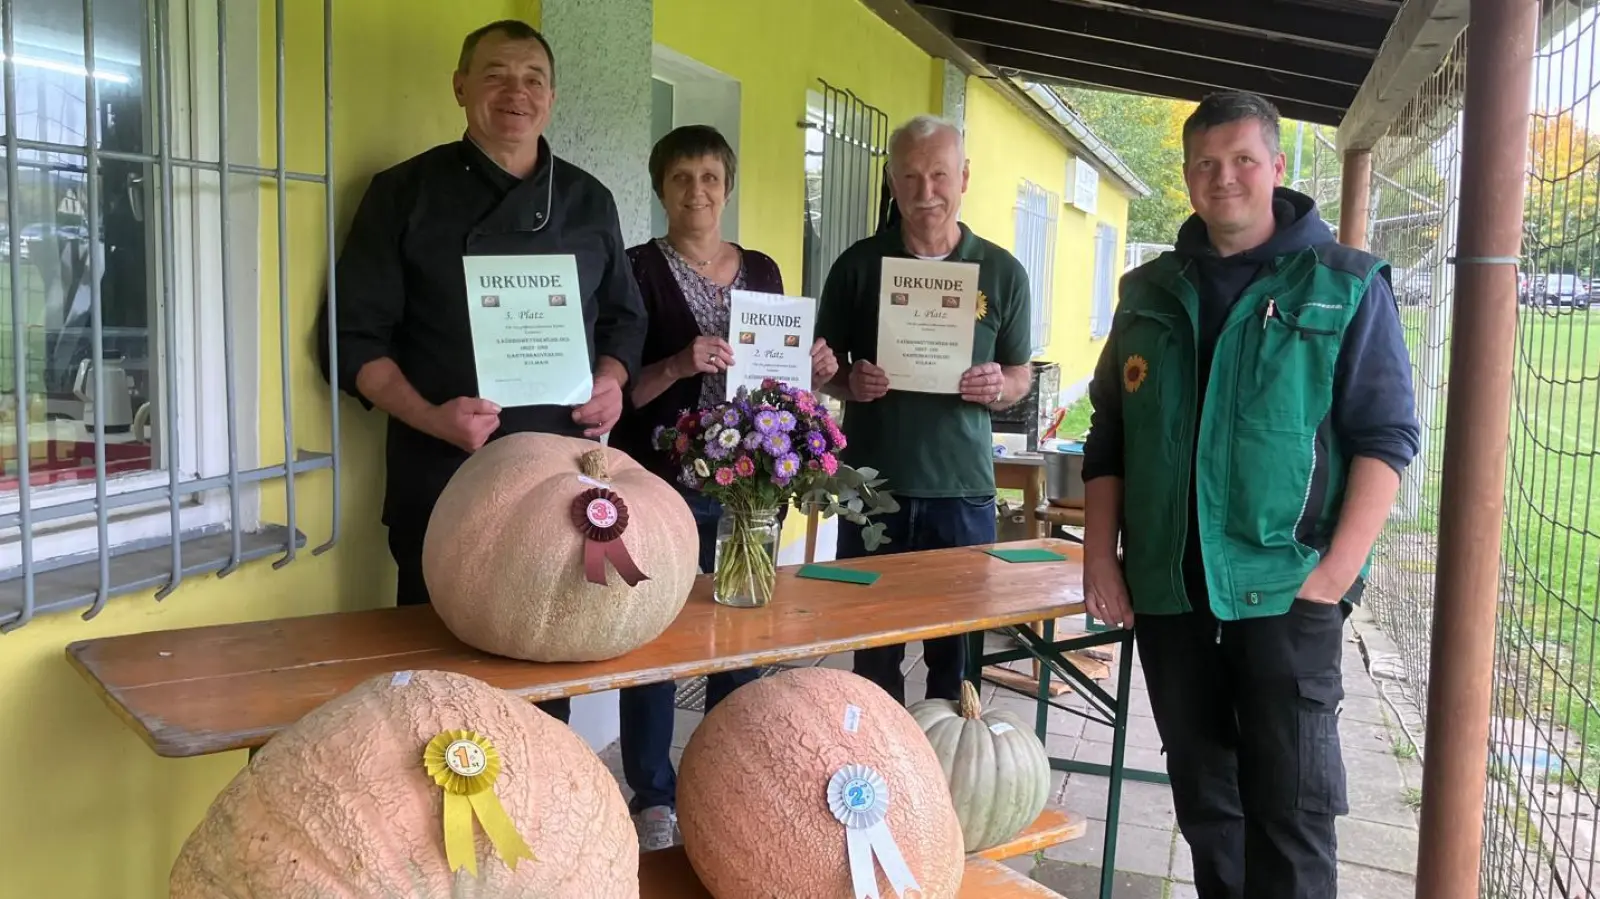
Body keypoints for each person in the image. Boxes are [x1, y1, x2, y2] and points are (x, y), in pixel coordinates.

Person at [1080, 91, 1421, 899]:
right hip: (1171, 594)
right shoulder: (1147, 294)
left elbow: (1386, 438)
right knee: (1207, 805)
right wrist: (1101, 556)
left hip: (1285, 591)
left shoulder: (1343, 286)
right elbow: (1110, 433)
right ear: (1189, 180)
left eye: (1241, 160)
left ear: (1274, 167)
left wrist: (1334, 575)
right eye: (1205, 163)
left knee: (1292, 813)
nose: (1223, 177)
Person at [331, 21, 645, 725]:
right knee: (437, 693)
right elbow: (352, 340)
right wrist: (431, 416)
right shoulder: (402, 193)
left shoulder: (590, 201)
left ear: (553, 96)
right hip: (442, 472)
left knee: (546, 676)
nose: (516, 92)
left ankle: (547, 823)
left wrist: (612, 379)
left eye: (533, 77)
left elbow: (626, 318)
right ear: (460, 86)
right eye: (497, 74)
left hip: (564, 478)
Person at [609, 124, 839, 849]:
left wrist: (816, 371)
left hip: (749, 484)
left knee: (740, 628)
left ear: (728, 186)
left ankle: (727, 771)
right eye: (681, 178)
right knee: (656, 634)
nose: (697, 191)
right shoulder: (635, 270)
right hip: (660, 481)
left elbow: (780, 374)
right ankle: (654, 791)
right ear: (660, 188)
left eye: (710, 177)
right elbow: (620, 386)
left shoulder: (764, 270)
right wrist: (679, 363)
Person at [815, 114, 1034, 705]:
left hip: (961, 489)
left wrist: (1000, 384)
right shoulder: (857, 266)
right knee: (872, 645)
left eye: (939, 175)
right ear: (890, 180)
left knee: (956, 655)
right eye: (910, 176)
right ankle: (879, 768)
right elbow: (823, 367)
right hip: (870, 486)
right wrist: (846, 381)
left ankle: (947, 776)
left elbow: (1021, 373)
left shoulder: (1003, 272)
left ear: (964, 176)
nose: (926, 192)